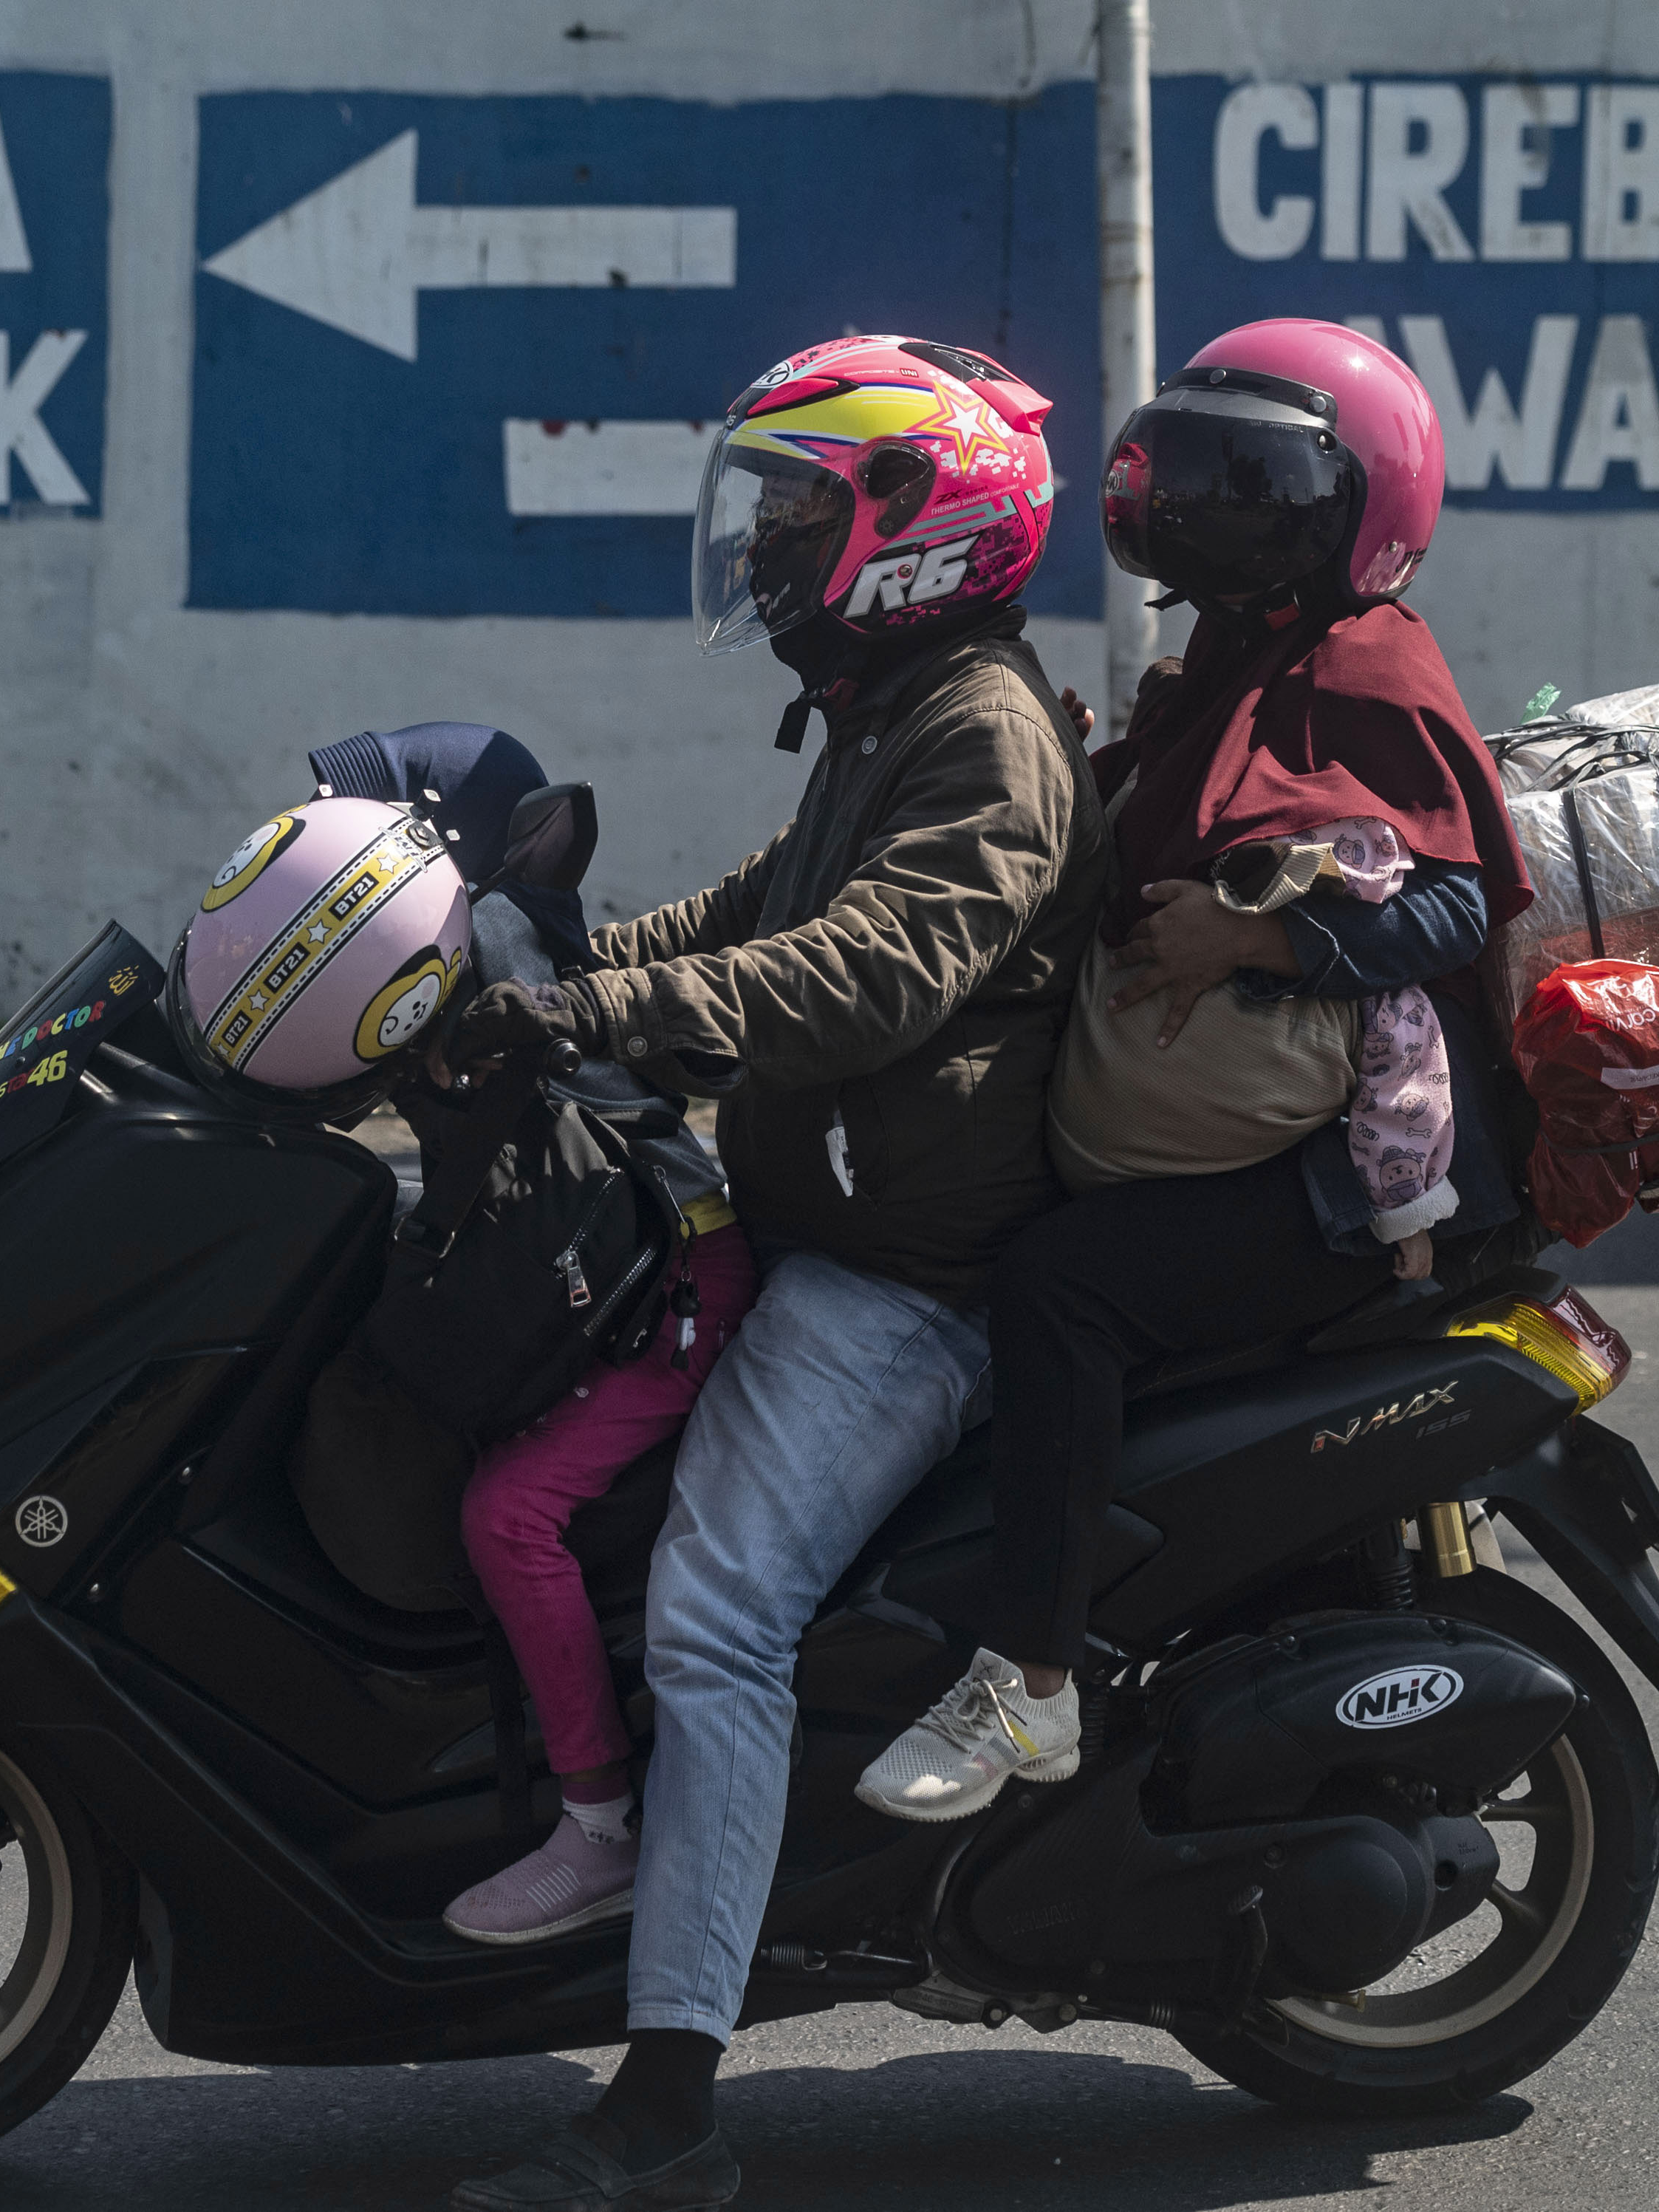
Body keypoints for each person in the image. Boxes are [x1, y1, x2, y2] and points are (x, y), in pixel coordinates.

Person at [438, 336, 1109, 2212]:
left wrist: (609, 1013)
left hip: (911, 1281)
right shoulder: (884, 712)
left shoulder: (982, 728)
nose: (768, 547)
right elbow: (752, 911)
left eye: (802, 511)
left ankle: (665, 2106)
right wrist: (506, 983)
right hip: (816, 1218)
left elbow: (877, 966)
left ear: (916, 528)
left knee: (718, 1610)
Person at [853, 319, 1537, 1824]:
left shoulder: (1364, 666)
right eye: (1200, 479)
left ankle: (1027, 1682)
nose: (1209, 518)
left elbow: (1456, 902)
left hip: (1346, 1182)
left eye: (1259, 486)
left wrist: (1262, 950)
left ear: (1357, 517)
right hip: (1224, 1136)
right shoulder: (1237, 659)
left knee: (1060, 1289)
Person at [301, 722, 760, 1946]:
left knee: (506, 1513)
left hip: (675, 1281)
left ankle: (600, 1822)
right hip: (593, 1265)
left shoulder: (482, 940)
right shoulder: (484, 933)